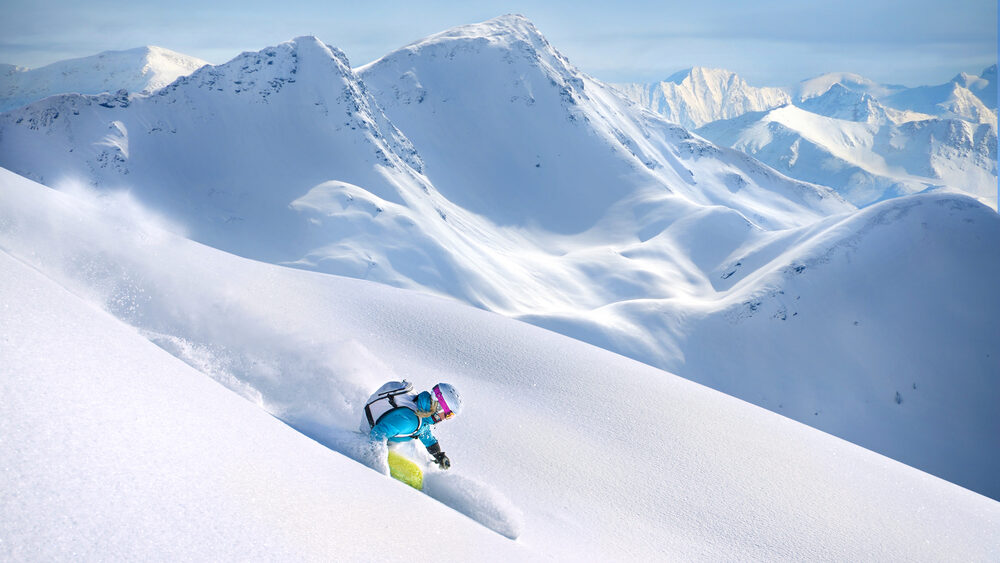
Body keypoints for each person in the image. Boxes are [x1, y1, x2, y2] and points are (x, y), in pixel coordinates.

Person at [362, 381, 463, 470]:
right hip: (369, 440)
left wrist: (438, 455)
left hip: (385, 439)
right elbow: (378, 433)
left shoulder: (421, 408)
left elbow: (423, 431)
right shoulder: (410, 421)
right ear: (439, 406)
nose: (446, 418)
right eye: (448, 414)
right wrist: (378, 465)